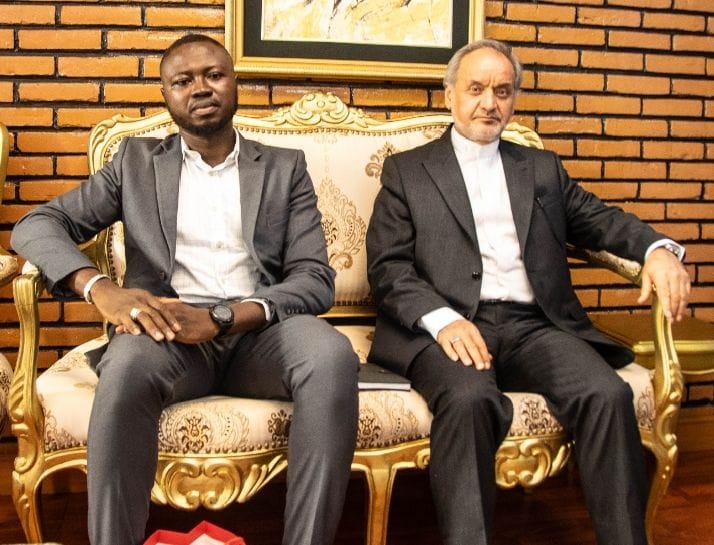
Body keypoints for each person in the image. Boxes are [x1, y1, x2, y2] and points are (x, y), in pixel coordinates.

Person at [11, 34, 359, 545]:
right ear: (166, 94)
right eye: (183, 80)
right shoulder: (134, 163)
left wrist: (222, 318)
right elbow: (37, 225)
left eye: (214, 75)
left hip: (258, 334)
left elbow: (314, 279)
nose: (201, 88)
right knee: (126, 366)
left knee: (330, 354)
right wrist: (100, 288)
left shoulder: (284, 167)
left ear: (234, 82)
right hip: (166, 334)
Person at [366, 38, 690, 545]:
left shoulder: (541, 169)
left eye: (502, 91)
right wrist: (443, 320)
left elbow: (601, 220)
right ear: (449, 95)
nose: (489, 103)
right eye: (476, 89)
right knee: (470, 400)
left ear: (514, 98)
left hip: (534, 327)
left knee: (606, 393)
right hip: (448, 329)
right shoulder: (408, 171)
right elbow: (388, 268)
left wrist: (658, 250)